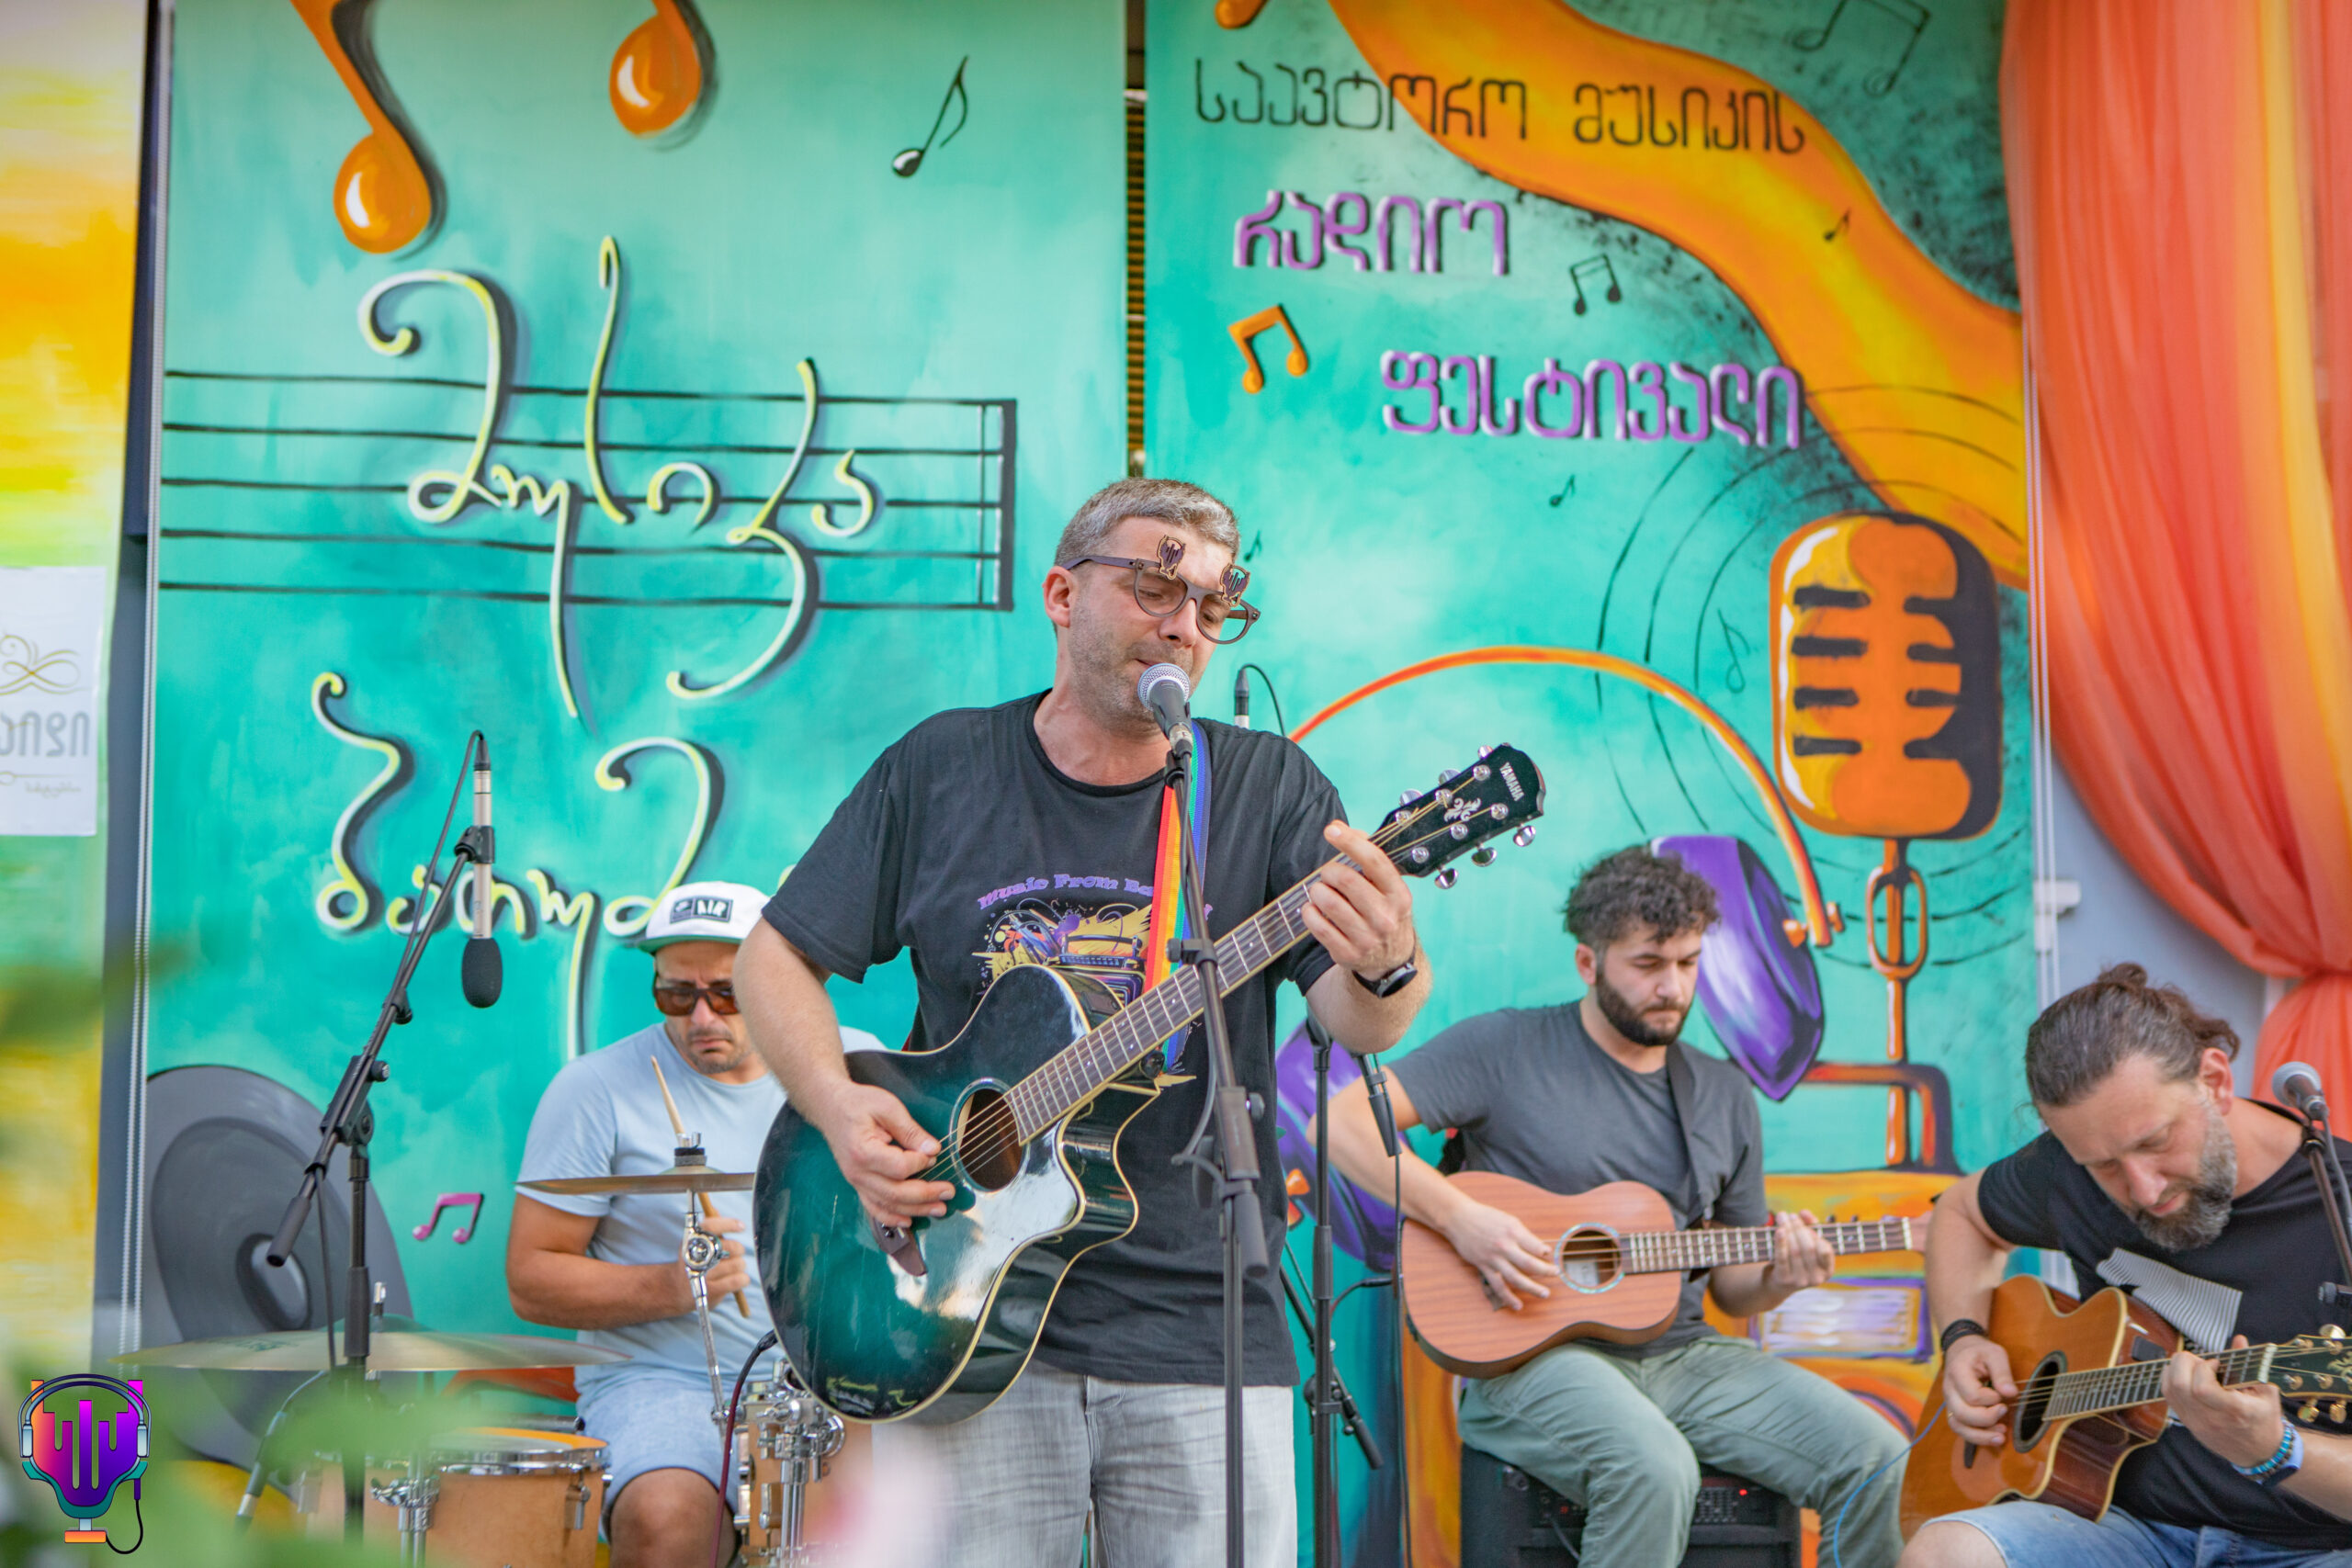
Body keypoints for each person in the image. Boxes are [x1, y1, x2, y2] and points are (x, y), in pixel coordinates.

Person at [734, 477, 1432, 1567]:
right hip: (951, 1309)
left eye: (1213, 605)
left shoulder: (1265, 785)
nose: (1185, 623)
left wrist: (1386, 965)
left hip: (1204, 1324)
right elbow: (772, 956)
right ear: (1062, 595)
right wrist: (835, 1109)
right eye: (1156, 586)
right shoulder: (942, 766)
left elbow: (1354, 1022)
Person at [1327, 844, 1910, 1568]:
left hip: (1686, 1355)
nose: (1673, 986)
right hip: (1531, 1358)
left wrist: (1781, 1276)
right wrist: (1461, 1219)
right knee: (1654, 1468)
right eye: (1648, 963)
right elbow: (1344, 1124)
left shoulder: (1723, 1095)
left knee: (1879, 1458)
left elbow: (1732, 1286)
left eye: (1689, 962)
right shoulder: (1506, 1046)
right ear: (1588, 962)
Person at [1905, 964, 2352, 1568]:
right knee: (1945, 1552)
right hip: (2126, 1529)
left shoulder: (2339, 1211)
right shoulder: (2067, 1169)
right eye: (2104, 1165)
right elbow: (1960, 1212)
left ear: (2215, 1080)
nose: (2143, 1188)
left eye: (2155, 1141)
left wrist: (2276, 1450)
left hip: (2313, 1549)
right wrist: (1962, 1339)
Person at [507, 879, 886, 1568]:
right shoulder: (595, 1089)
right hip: (664, 1381)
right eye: (677, 995)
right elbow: (531, 1279)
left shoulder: (856, 1066)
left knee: (899, 1523)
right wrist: (671, 1287)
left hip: (832, 1381)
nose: (702, 1017)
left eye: (728, 993)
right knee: (665, 1520)